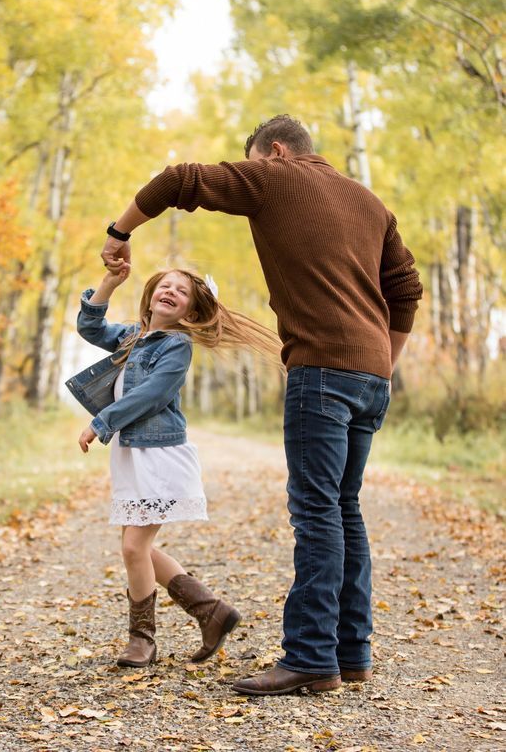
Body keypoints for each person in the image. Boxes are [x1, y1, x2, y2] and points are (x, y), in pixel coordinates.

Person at [100, 114, 423, 695]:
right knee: (344, 509)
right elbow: (406, 292)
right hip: (371, 375)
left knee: (318, 513)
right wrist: (383, 363)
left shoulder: (277, 178)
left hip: (321, 372)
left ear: (274, 152)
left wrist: (118, 233)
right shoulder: (372, 205)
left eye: (253, 159)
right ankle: (352, 655)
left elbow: (180, 179)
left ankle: (310, 657)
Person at [67, 264, 281, 669]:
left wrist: (101, 422)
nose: (169, 291)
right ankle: (210, 610)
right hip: (134, 453)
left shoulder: (176, 345)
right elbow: (90, 328)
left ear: (190, 312)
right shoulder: (134, 335)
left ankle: (142, 641)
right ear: (150, 295)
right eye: (164, 285)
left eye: (180, 291)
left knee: (134, 546)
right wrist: (111, 282)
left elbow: (153, 392)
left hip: (159, 455)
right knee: (138, 546)